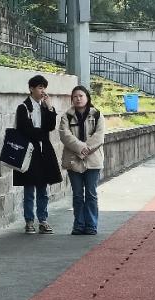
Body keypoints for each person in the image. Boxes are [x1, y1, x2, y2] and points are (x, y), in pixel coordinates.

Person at [15, 75, 63, 234]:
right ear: (31, 89)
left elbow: (50, 126)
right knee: (29, 189)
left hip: (43, 152)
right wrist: (40, 133)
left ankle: (43, 220)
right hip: (29, 152)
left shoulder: (44, 107)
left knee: (43, 188)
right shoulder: (23, 107)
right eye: (40, 87)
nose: (43, 91)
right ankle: (29, 221)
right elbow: (25, 130)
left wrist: (50, 108)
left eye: (44, 88)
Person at [59, 85, 106, 236]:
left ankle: (91, 225)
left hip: (93, 161)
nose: (78, 99)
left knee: (91, 194)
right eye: (75, 96)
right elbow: (64, 135)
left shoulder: (97, 115)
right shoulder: (66, 116)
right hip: (73, 160)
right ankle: (79, 225)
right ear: (71, 99)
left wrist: (86, 149)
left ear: (87, 97)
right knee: (78, 195)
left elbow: (99, 136)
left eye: (81, 96)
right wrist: (81, 148)